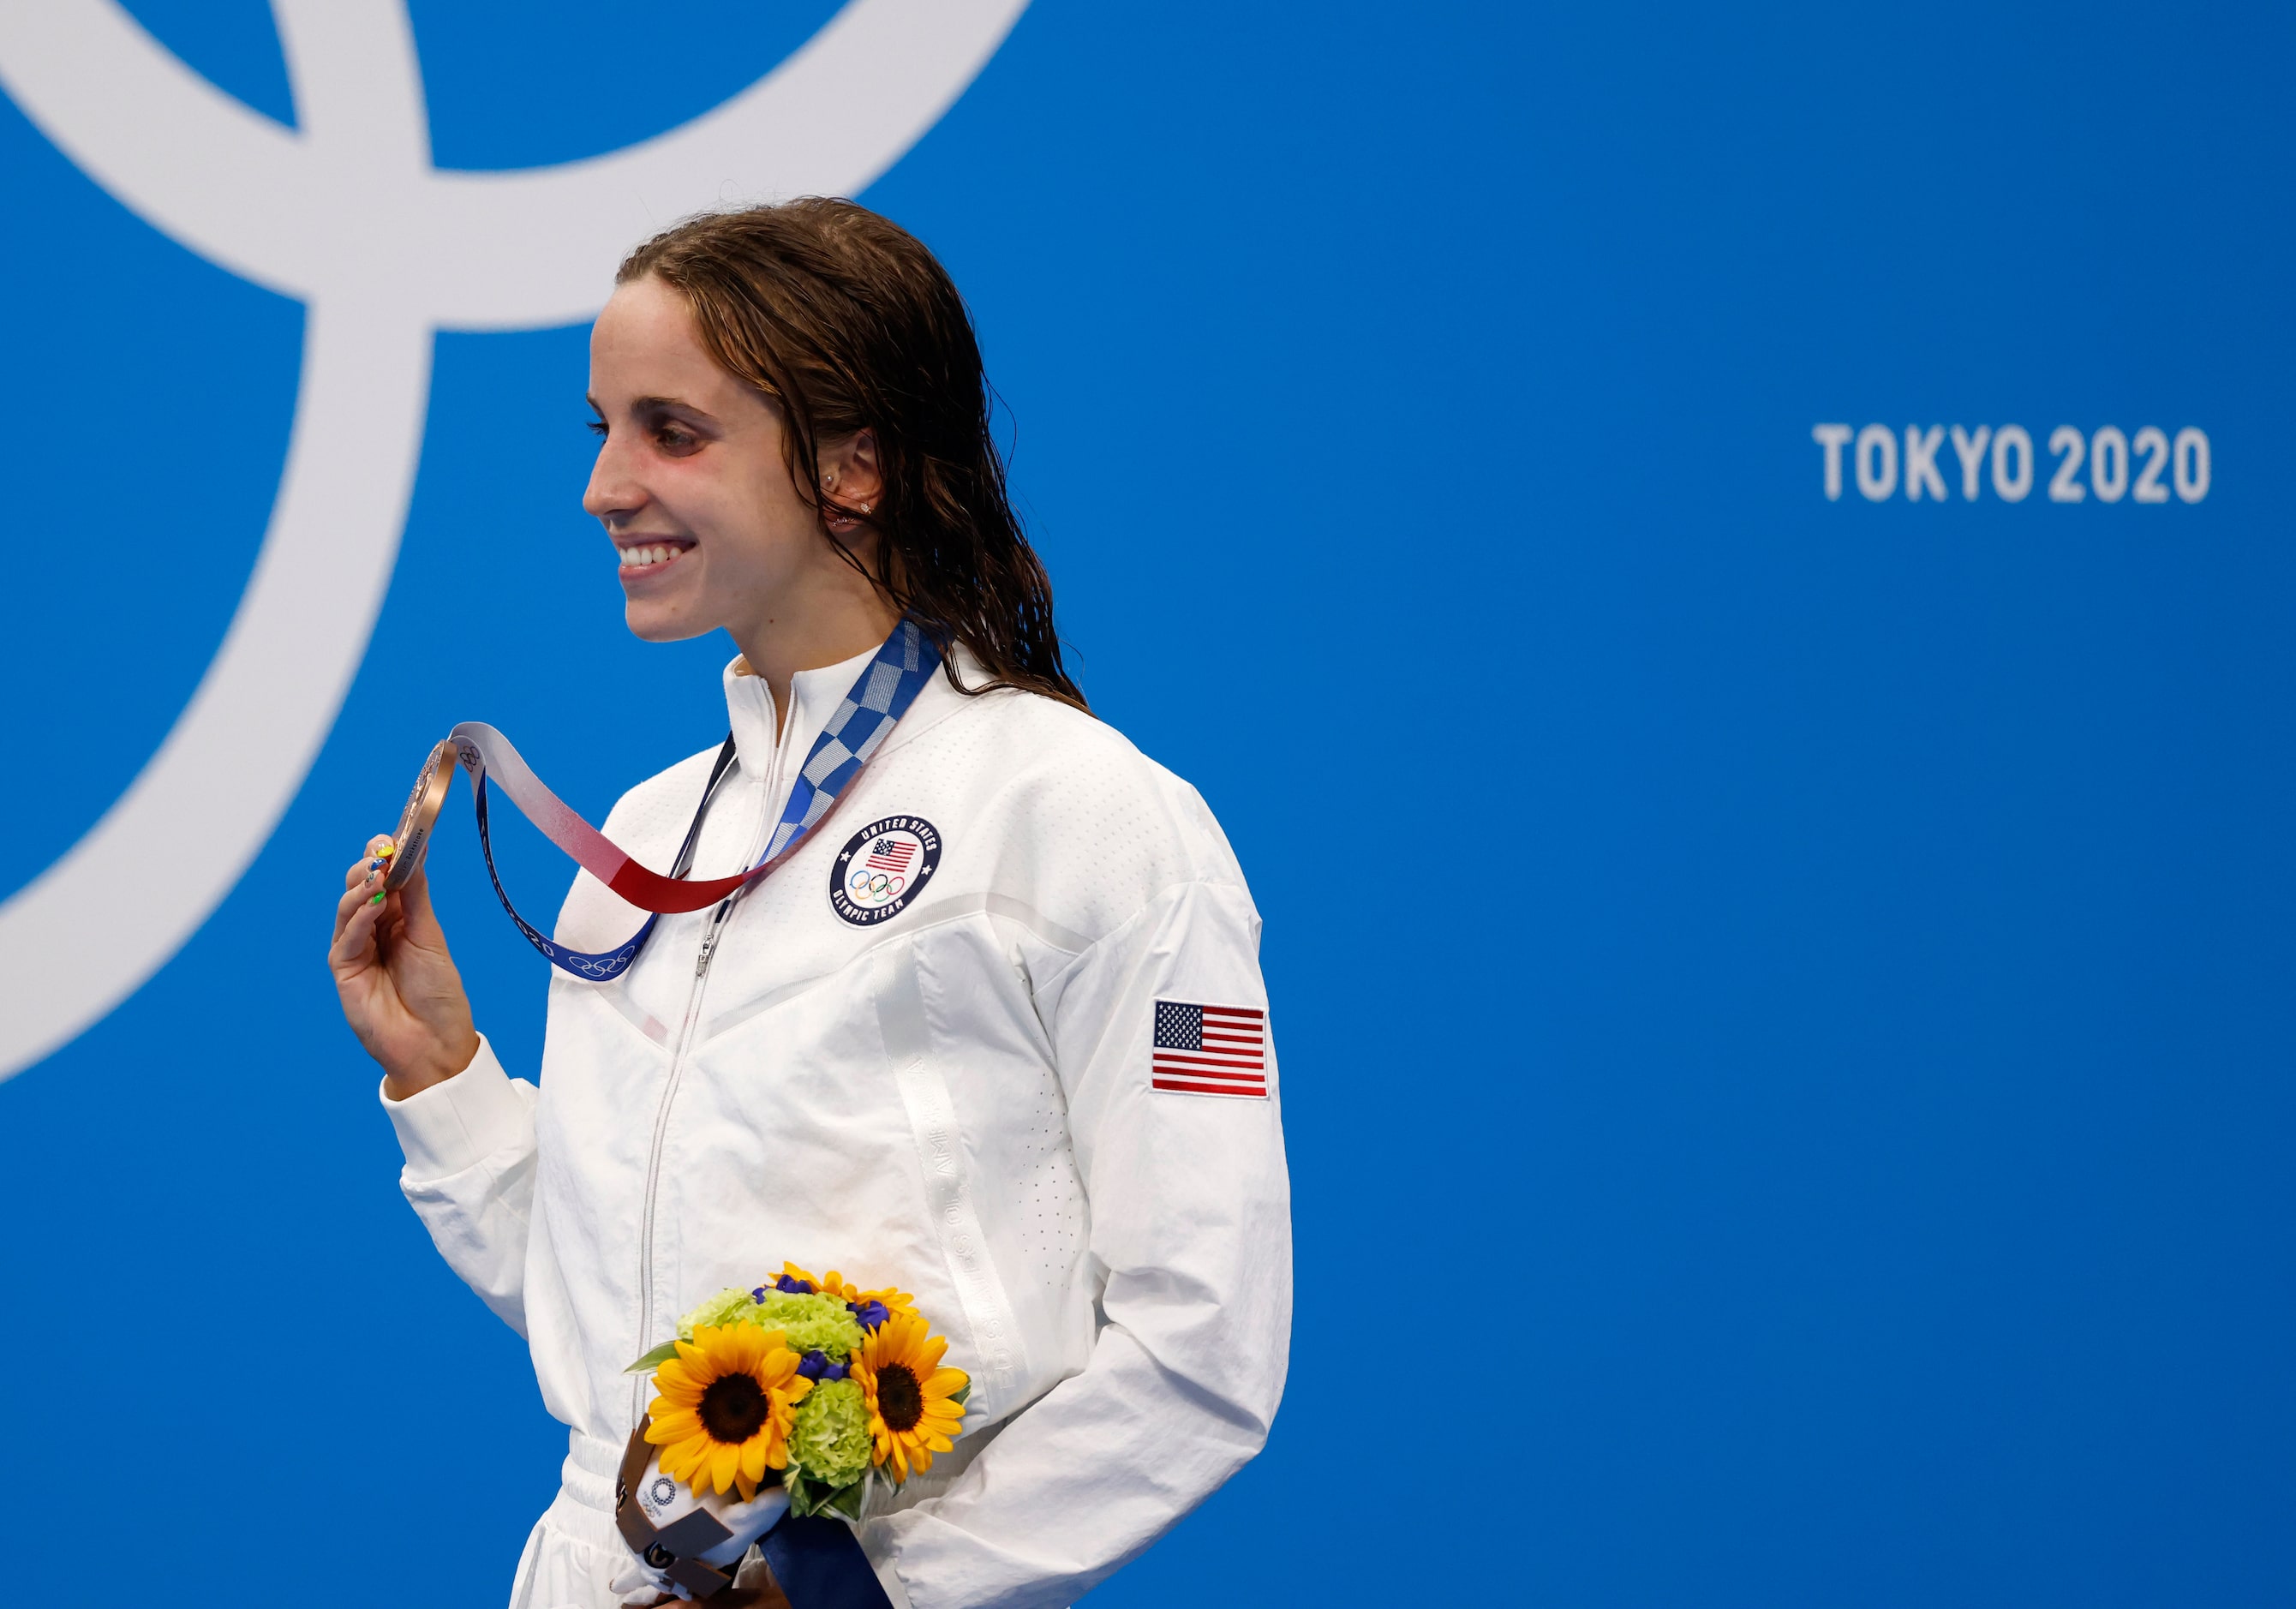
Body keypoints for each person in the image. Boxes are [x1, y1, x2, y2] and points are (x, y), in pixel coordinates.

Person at [327, 200, 1290, 1609]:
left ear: (854, 465)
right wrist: (446, 1077)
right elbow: (628, 1336)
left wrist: (877, 1591)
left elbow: (1202, 1343)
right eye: (599, 428)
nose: (604, 486)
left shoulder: (1086, 813)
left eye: (673, 430)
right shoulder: (644, 844)